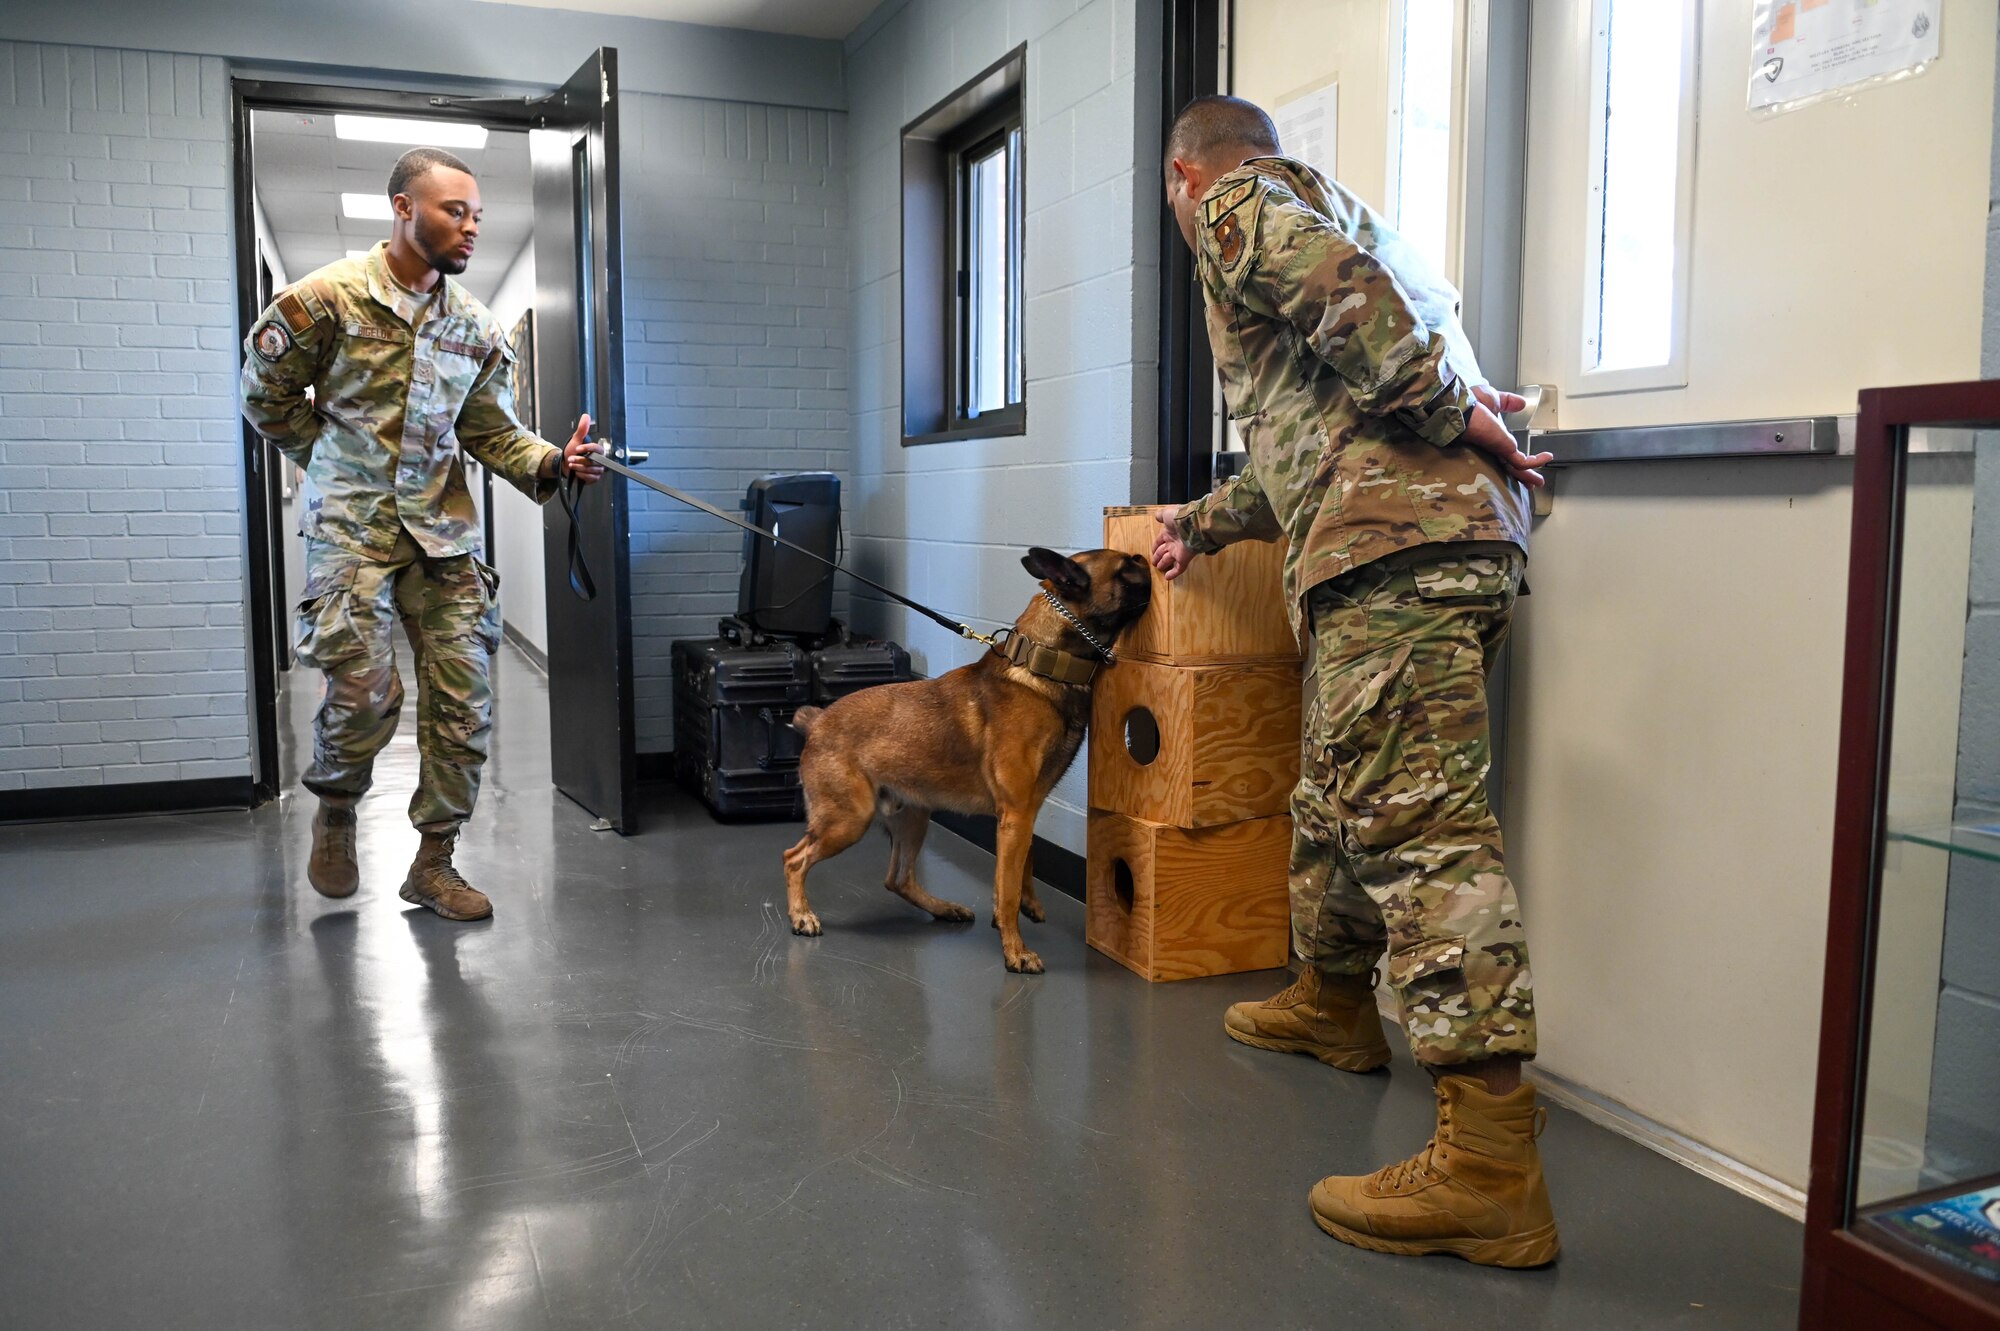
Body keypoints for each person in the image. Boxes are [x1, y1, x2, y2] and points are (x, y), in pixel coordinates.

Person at [1153, 96, 1561, 1268]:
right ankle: (1330, 1003)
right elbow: (1304, 437)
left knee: (1422, 828)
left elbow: (1358, 332)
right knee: (1339, 787)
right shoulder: (1357, 218)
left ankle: (1489, 1165)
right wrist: (1202, 519)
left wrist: (1448, 410)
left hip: (1392, 548)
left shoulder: (1237, 204)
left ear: (1185, 176)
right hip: (1426, 536)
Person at [241, 147, 606, 922]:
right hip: (353, 532)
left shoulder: (474, 327)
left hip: (443, 537)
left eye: (478, 214)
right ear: (403, 208)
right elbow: (265, 393)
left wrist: (554, 459)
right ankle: (338, 805)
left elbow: (490, 432)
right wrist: (330, 458)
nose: (471, 227)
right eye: (454, 211)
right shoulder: (327, 300)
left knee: (463, 700)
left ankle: (433, 863)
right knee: (368, 690)